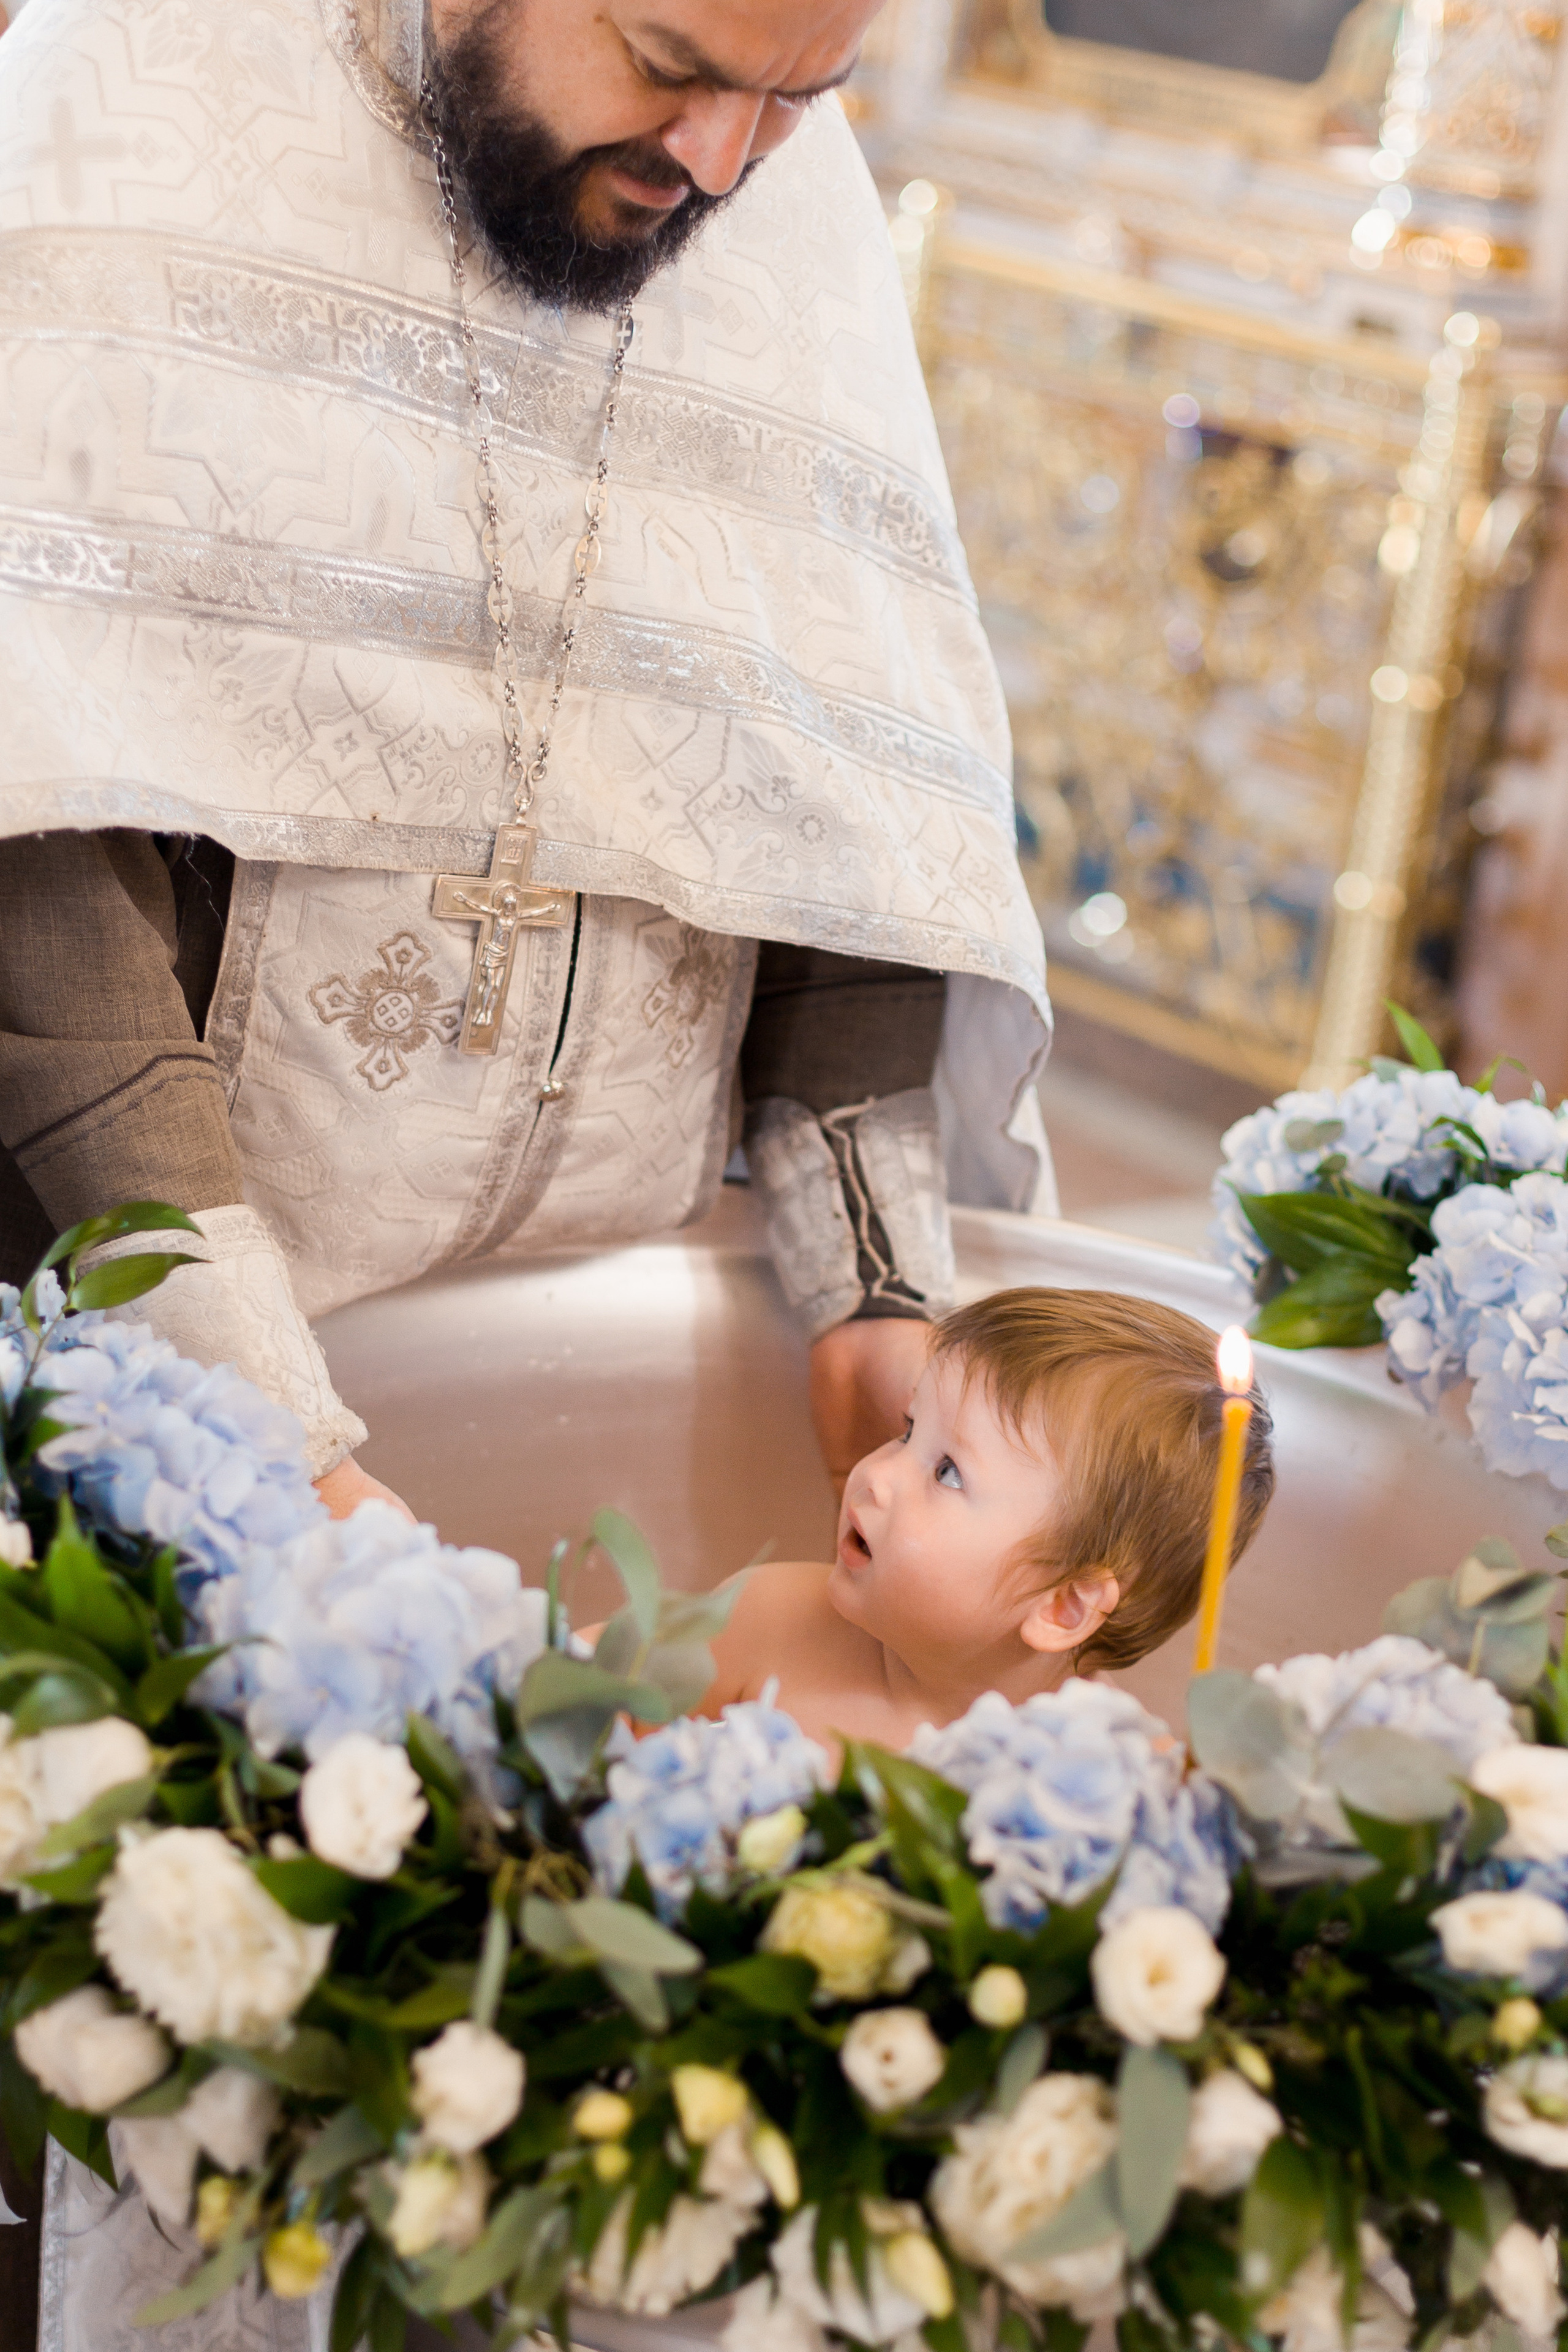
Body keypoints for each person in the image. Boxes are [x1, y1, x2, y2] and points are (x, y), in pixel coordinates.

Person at [0, 0, 1055, 1523]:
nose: (714, 162)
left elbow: (845, 752)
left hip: (618, 1317)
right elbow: (37, 798)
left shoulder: (781, 193)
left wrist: (870, 1274)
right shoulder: (126, 81)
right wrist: (241, 1406)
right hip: (138, 1311)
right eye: (669, 66)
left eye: (795, 100)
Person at [700, 1287, 1276, 1752]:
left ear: (1063, 1606)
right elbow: (613, 1686)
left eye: (947, 1471)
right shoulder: (768, 1620)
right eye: (907, 1429)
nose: (876, 1474)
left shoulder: (1105, 1773)